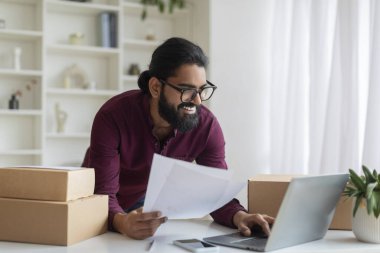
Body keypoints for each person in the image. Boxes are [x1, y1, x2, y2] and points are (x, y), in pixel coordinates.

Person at [82, 37, 274, 240]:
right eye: (187, 90)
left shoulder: (206, 126)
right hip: (95, 200)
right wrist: (121, 221)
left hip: (145, 203)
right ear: (156, 87)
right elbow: (102, 195)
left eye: (201, 90)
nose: (198, 101)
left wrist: (240, 216)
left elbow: (215, 193)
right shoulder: (113, 116)